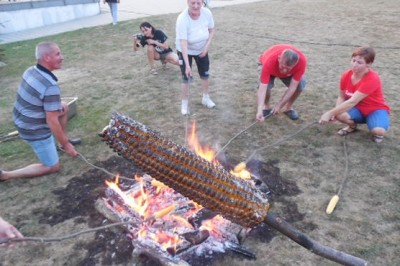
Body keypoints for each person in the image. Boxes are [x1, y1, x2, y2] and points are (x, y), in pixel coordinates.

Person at [0, 42, 80, 182]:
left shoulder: (31, 70)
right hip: (32, 127)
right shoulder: (50, 86)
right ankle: (5, 175)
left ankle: (61, 143)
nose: (62, 57)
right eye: (58, 54)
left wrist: (63, 141)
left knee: (64, 107)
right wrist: (68, 146)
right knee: (52, 166)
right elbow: (51, 120)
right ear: (46, 58)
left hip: (21, 118)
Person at [319, 47, 390, 143]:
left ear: (368, 64)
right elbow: (341, 96)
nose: (354, 65)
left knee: (378, 131)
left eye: (359, 63)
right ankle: (352, 127)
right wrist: (335, 113)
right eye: (353, 60)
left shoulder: (372, 78)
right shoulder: (346, 75)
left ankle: (375, 125)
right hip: (357, 108)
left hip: (375, 108)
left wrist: (329, 113)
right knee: (340, 115)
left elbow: (352, 101)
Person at [176, 0, 216, 115]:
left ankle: (206, 98)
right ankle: (184, 103)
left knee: (205, 74)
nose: (196, 6)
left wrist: (206, 47)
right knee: (186, 77)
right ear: (188, 2)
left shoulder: (207, 13)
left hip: (201, 48)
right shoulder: (182, 19)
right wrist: (187, 66)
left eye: (199, 3)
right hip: (185, 50)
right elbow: (183, 43)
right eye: (193, 3)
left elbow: (211, 30)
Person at [256, 44, 307, 122]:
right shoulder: (269, 61)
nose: (284, 71)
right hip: (268, 65)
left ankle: (288, 108)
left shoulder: (301, 62)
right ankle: (266, 107)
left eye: (288, 68)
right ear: (279, 58)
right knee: (267, 88)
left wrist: (280, 105)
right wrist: (259, 110)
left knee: (300, 85)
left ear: (295, 64)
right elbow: (262, 87)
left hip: (282, 68)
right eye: (282, 67)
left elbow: (293, 87)